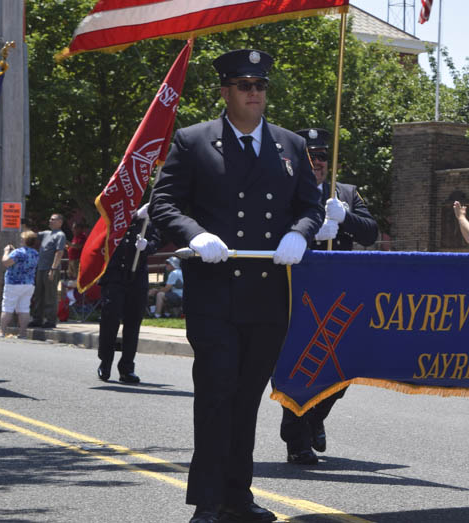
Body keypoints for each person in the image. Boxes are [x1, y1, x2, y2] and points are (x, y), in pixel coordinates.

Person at [149, 49, 323, 523]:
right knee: (215, 395)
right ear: (225, 91)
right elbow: (165, 203)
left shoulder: (289, 145)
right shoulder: (194, 140)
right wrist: (195, 234)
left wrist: (299, 233)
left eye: (260, 86)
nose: (253, 93)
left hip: (267, 296)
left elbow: (312, 206)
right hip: (216, 292)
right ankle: (207, 502)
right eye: (244, 85)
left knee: (246, 399)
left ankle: (236, 497)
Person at [280, 127, 380, 466]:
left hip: (339, 296)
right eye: (310, 155)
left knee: (344, 370)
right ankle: (296, 439)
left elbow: (371, 233)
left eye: (323, 155)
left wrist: (345, 218)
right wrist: (306, 234)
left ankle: (314, 417)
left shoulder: (347, 194)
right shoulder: (283, 192)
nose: (317, 162)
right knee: (301, 366)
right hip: (298, 295)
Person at [97, 205, 162, 384]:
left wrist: (146, 246)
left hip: (137, 278)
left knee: (133, 323)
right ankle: (106, 362)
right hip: (115, 277)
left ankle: (127, 368)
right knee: (110, 321)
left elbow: (157, 242)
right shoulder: (117, 219)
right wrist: (134, 217)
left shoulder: (148, 223)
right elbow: (104, 236)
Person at [0, 230, 39, 337]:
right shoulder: (35, 253)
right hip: (29, 284)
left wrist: (6, 252)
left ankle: (2, 331)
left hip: (13, 283)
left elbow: (6, 262)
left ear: (24, 240)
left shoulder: (18, 252)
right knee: (24, 308)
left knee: (7, 307)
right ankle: (23, 333)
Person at [28, 213, 66, 329]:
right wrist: (25, 224)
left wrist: (53, 269)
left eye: (53, 219)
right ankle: (37, 319)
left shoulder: (60, 235)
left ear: (60, 222)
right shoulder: (46, 233)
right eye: (50, 219)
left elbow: (59, 252)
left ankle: (50, 320)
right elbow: (31, 236)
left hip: (50, 269)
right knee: (38, 294)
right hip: (41, 268)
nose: (50, 221)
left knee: (50, 295)